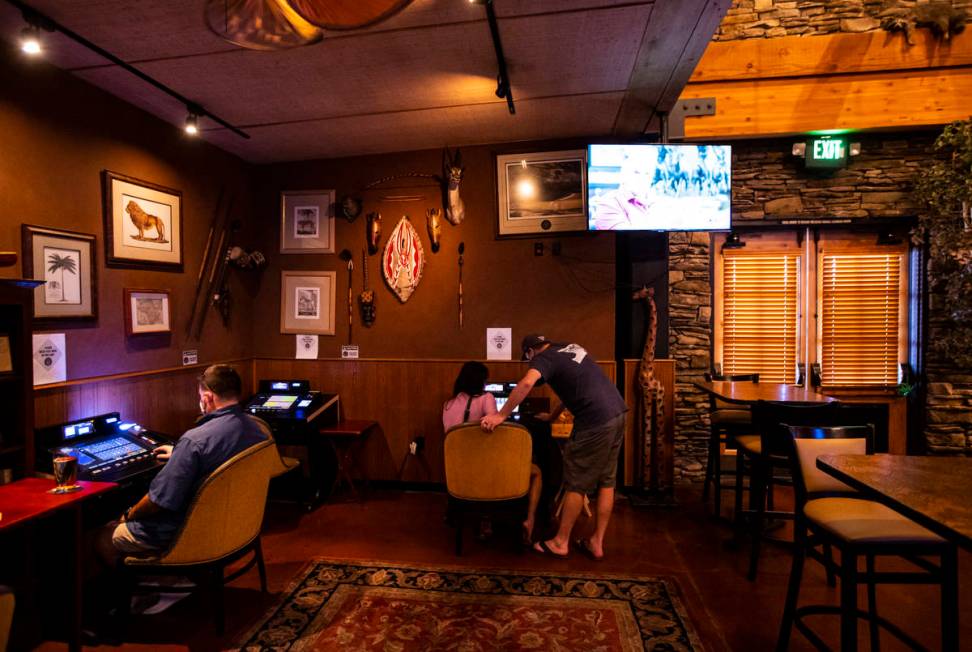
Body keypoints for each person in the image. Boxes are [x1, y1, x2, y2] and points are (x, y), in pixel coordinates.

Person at [98, 364, 267, 565]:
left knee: (104, 538)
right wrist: (180, 455)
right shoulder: (256, 429)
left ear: (207, 398)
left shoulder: (194, 441)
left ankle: (132, 594)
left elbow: (159, 501)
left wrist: (127, 515)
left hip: (188, 530)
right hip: (234, 524)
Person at [481, 334, 626, 561]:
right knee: (607, 481)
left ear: (531, 351)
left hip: (595, 422)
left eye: (527, 357)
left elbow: (527, 382)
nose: (529, 361)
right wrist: (552, 417)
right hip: (616, 413)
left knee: (577, 483)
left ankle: (560, 542)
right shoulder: (570, 347)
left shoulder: (544, 358)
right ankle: (596, 542)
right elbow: (572, 391)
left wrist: (501, 414)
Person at [444, 361, 543, 544]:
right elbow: (496, 427)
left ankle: (481, 518)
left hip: (458, 474)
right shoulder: (486, 398)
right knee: (536, 472)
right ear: (482, 381)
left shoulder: (448, 405)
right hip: (484, 472)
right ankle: (529, 521)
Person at [591, 146, 661, 231]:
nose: (642, 178)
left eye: (647, 173)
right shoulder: (608, 203)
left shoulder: (658, 202)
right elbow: (632, 237)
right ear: (624, 174)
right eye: (636, 172)